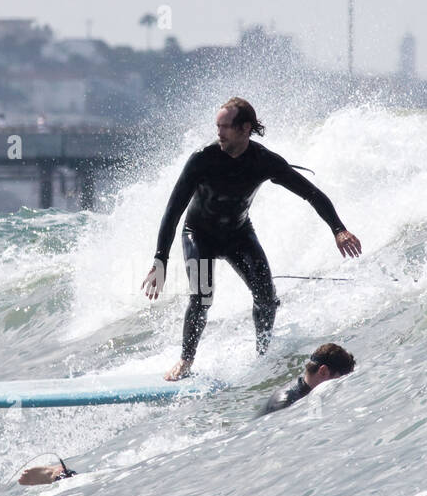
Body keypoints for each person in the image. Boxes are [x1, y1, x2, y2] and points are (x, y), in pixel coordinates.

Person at [142, 98, 362, 381]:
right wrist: (160, 259)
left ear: (245, 128)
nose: (219, 132)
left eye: (225, 127)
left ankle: (263, 354)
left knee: (266, 298)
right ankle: (186, 360)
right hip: (199, 235)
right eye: (217, 126)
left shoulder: (262, 160)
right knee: (202, 296)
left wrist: (338, 229)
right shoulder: (202, 159)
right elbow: (173, 210)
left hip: (238, 234)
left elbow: (312, 194)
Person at [18, 343, 357, 484]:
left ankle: (67, 475)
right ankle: (65, 475)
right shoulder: (291, 401)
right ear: (325, 372)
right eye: (341, 381)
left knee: (143, 475)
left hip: (226, 443)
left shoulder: (295, 390)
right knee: (140, 478)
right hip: (226, 452)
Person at [259, 342, 356, 415]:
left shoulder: (305, 391)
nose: (339, 386)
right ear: (323, 371)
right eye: (339, 380)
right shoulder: (287, 404)